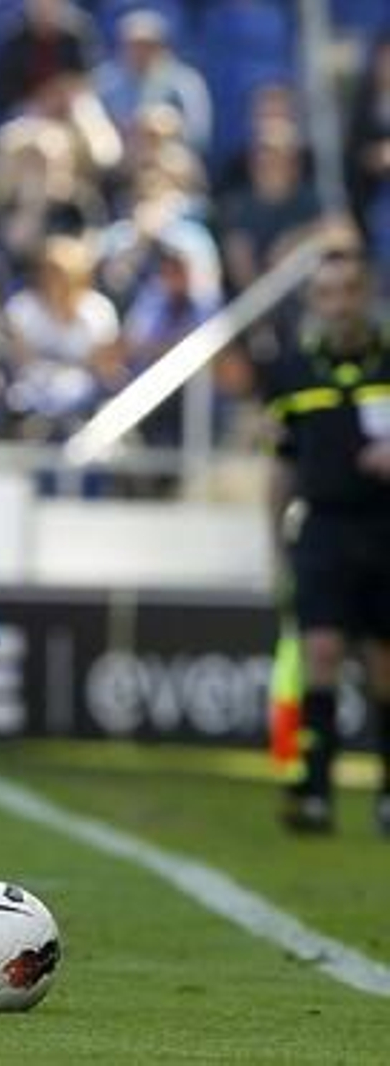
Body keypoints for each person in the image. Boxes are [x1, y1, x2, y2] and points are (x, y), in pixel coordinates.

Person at [263, 249, 390, 836]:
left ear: (367, 294)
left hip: (385, 526)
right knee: (320, 655)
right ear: (315, 302)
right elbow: (281, 464)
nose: (339, 305)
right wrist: (274, 543)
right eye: (327, 294)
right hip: (323, 528)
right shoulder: (293, 371)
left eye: (349, 291)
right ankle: (314, 790)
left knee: (384, 666)